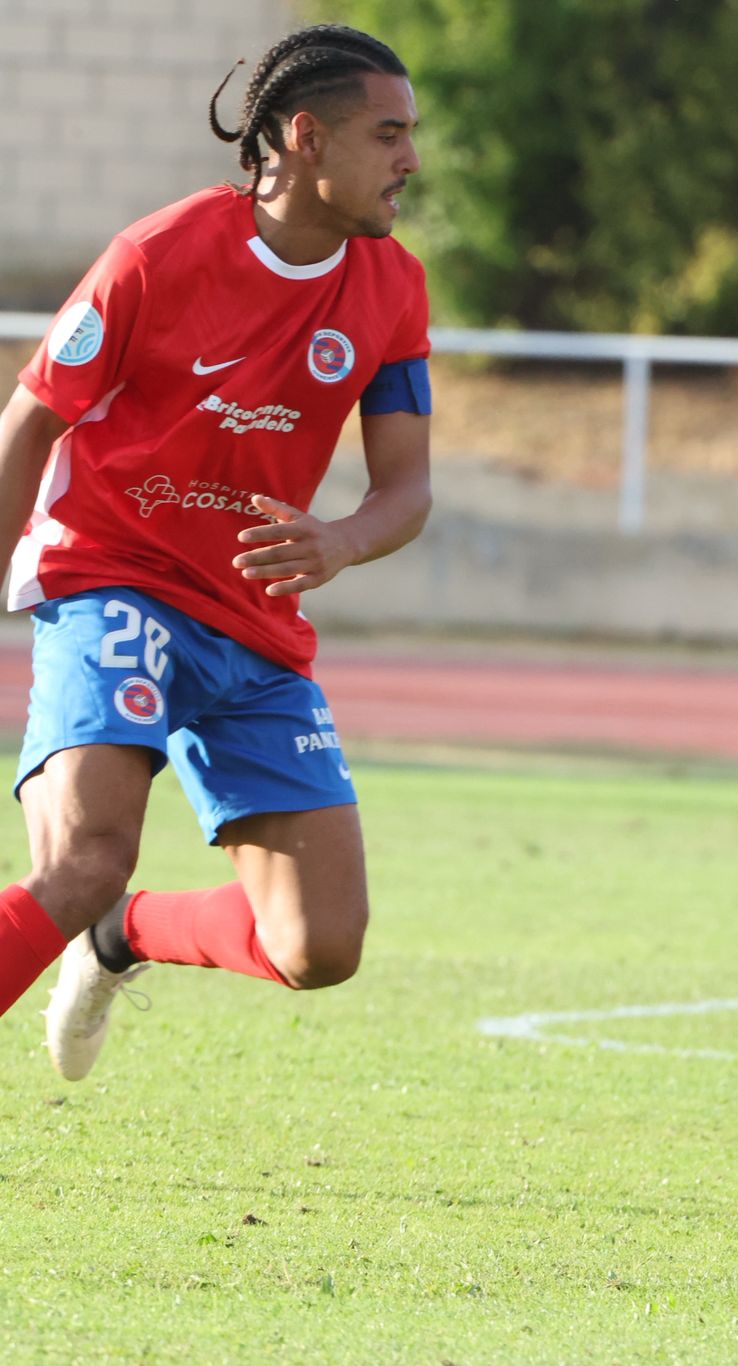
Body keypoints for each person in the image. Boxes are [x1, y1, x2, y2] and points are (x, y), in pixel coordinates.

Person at [0, 25, 432, 1085]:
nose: (410, 160)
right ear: (304, 138)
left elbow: (408, 489)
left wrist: (340, 540)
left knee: (320, 946)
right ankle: (97, 904)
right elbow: (29, 424)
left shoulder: (391, 288)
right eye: (387, 134)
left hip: (251, 620)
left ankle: (124, 935)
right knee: (83, 857)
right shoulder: (157, 254)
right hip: (114, 576)